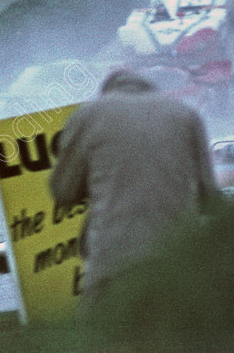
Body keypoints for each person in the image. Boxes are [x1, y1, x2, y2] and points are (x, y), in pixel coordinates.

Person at [49, 69, 217, 301]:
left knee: (98, 333)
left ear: (108, 92)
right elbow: (210, 196)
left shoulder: (89, 115)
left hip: (113, 264)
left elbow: (63, 190)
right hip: (180, 260)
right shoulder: (186, 114)